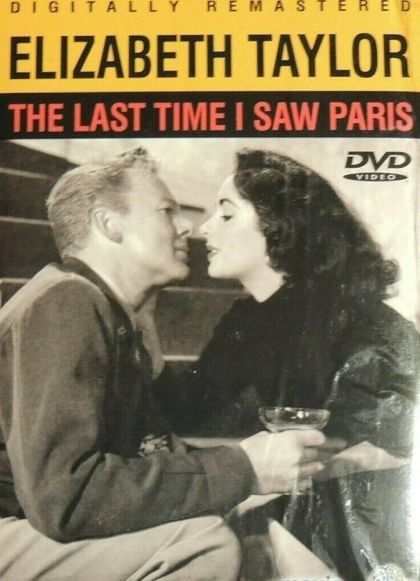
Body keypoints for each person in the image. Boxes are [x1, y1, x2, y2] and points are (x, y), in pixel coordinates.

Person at [0, 147, 326, 581]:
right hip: (15, 524)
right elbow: (68, 497)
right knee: (201, 543)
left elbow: (148, 455)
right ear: (109, 224)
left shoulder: (104, 310)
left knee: (250, 518)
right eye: (166, 211)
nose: (187, 225)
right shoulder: (66, 302)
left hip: (30, 520)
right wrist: (243, 468)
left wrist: (252, 474)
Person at [155, 149, 419, 580]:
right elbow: (188, 411)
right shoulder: (248, 319)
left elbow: (393, 442)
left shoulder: (356, 319)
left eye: (226, 214)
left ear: (278, 225)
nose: (204, 227)